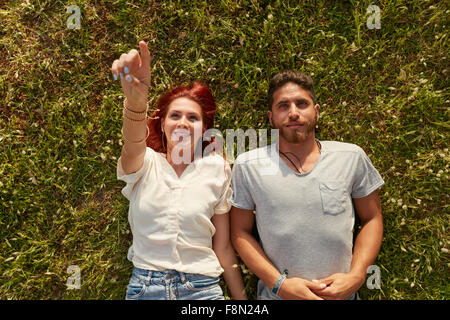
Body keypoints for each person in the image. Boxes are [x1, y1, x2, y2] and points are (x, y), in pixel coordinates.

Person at [230, 70, 384, 300]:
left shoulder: (351, 157)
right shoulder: (248, 165)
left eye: (302, 104)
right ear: (271, 117)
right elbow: (239, 233)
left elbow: (372, 218)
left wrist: (357, 275)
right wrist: (279, 285)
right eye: (283, 106)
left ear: (316, 111)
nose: (293, 113)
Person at [111, 41, 246, 300]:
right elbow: (132, 142)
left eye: (193, 118)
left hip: (202, 289)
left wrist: (241, 301)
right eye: (175, 116)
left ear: (204, 129)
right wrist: (136, 105)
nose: (183, 122)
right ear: (162, 124)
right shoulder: (144, 162)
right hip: (145, 287)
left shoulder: (217, 168)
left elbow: (223, 246)